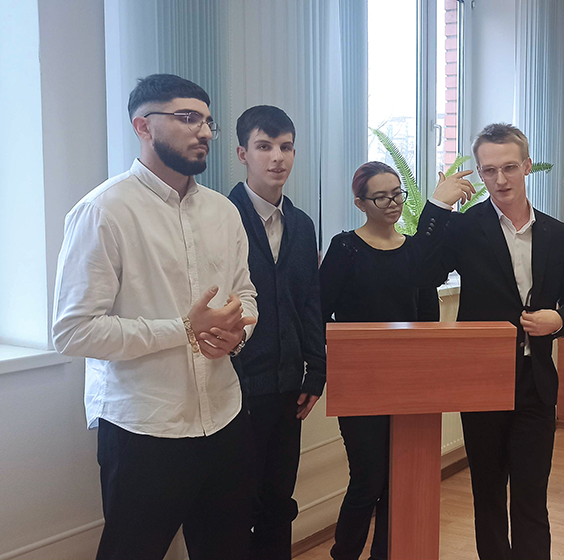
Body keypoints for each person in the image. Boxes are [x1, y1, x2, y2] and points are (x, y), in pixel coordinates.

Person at [52, 74, 258, 560]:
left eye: (207, 121)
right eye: (187, 118)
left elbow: (246, 295)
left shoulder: (223, 211)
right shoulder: (103, 211)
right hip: (145, 428)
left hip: (224, 414)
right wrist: (184, 330)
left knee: (229, 550)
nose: (204, 131)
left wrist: (236, 333)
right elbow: (73, 331)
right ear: (142, 126)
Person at [418, 123, 564, 560]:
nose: (500, 179)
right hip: (482, 381)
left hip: (535, 383)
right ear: (479, 173)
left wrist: (558, 319)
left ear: (527, 166)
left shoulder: (555, 233)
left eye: (509, 167)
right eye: (489, 170)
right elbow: (421, 273)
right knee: (488, 494)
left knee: (531, 498)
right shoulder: (464, 228)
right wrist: (437, 206)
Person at [320, 161, 447, 560]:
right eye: (381, 197)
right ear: (360, 203)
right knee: (368, 479)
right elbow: (319, 314)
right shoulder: (345, 248)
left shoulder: (414, 252)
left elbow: (428, 318)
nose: (393, 203)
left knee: (397, 480)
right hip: (359, 384)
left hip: (407, 383)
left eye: (397, 194)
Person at [227, 105, 326, 560]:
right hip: (235, 386)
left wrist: (316, 369)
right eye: (264, 146)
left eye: (285, 147)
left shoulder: (302, 225)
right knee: (234, 503)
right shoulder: (220, 217)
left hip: (287, 384)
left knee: (278, 500)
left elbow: (309, 302)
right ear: (242, 154)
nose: (277, 157)